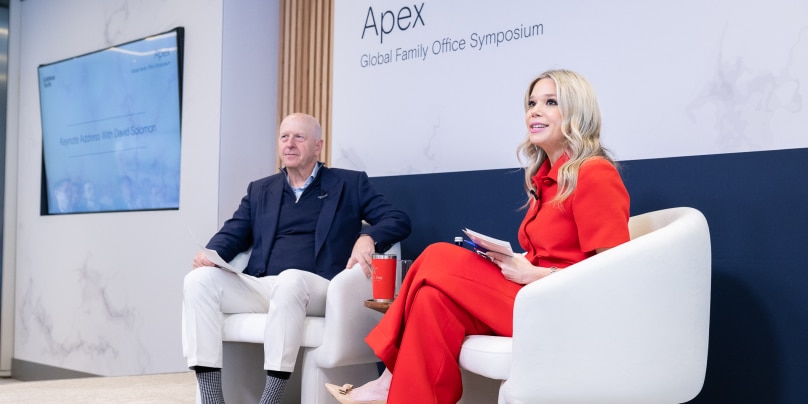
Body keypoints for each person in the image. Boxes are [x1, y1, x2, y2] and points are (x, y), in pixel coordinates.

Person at [325, 69, 631, 404]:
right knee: (432, 302)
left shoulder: (595, 173)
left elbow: (612, 274)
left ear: (577, 112)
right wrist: (515, 262)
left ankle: (388, 376)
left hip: (559, 306)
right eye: (531, 103)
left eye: (551, 102)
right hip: (531, 296)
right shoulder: (545, 179)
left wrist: (537, 273)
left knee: (438, 255)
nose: (534, 111)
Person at [182, 112, 412, 404]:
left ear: (318, 146)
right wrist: (210, 254)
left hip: (320, 288)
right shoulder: (260, 189)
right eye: (284, 137)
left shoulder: (349, 184)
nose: (289, 144)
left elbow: (398, 219)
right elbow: (234, 233)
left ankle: (271, 398)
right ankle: (213, 397)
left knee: (290, 280)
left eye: (298, 137)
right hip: (265, 285)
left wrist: (368, 238)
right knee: (198, 281)